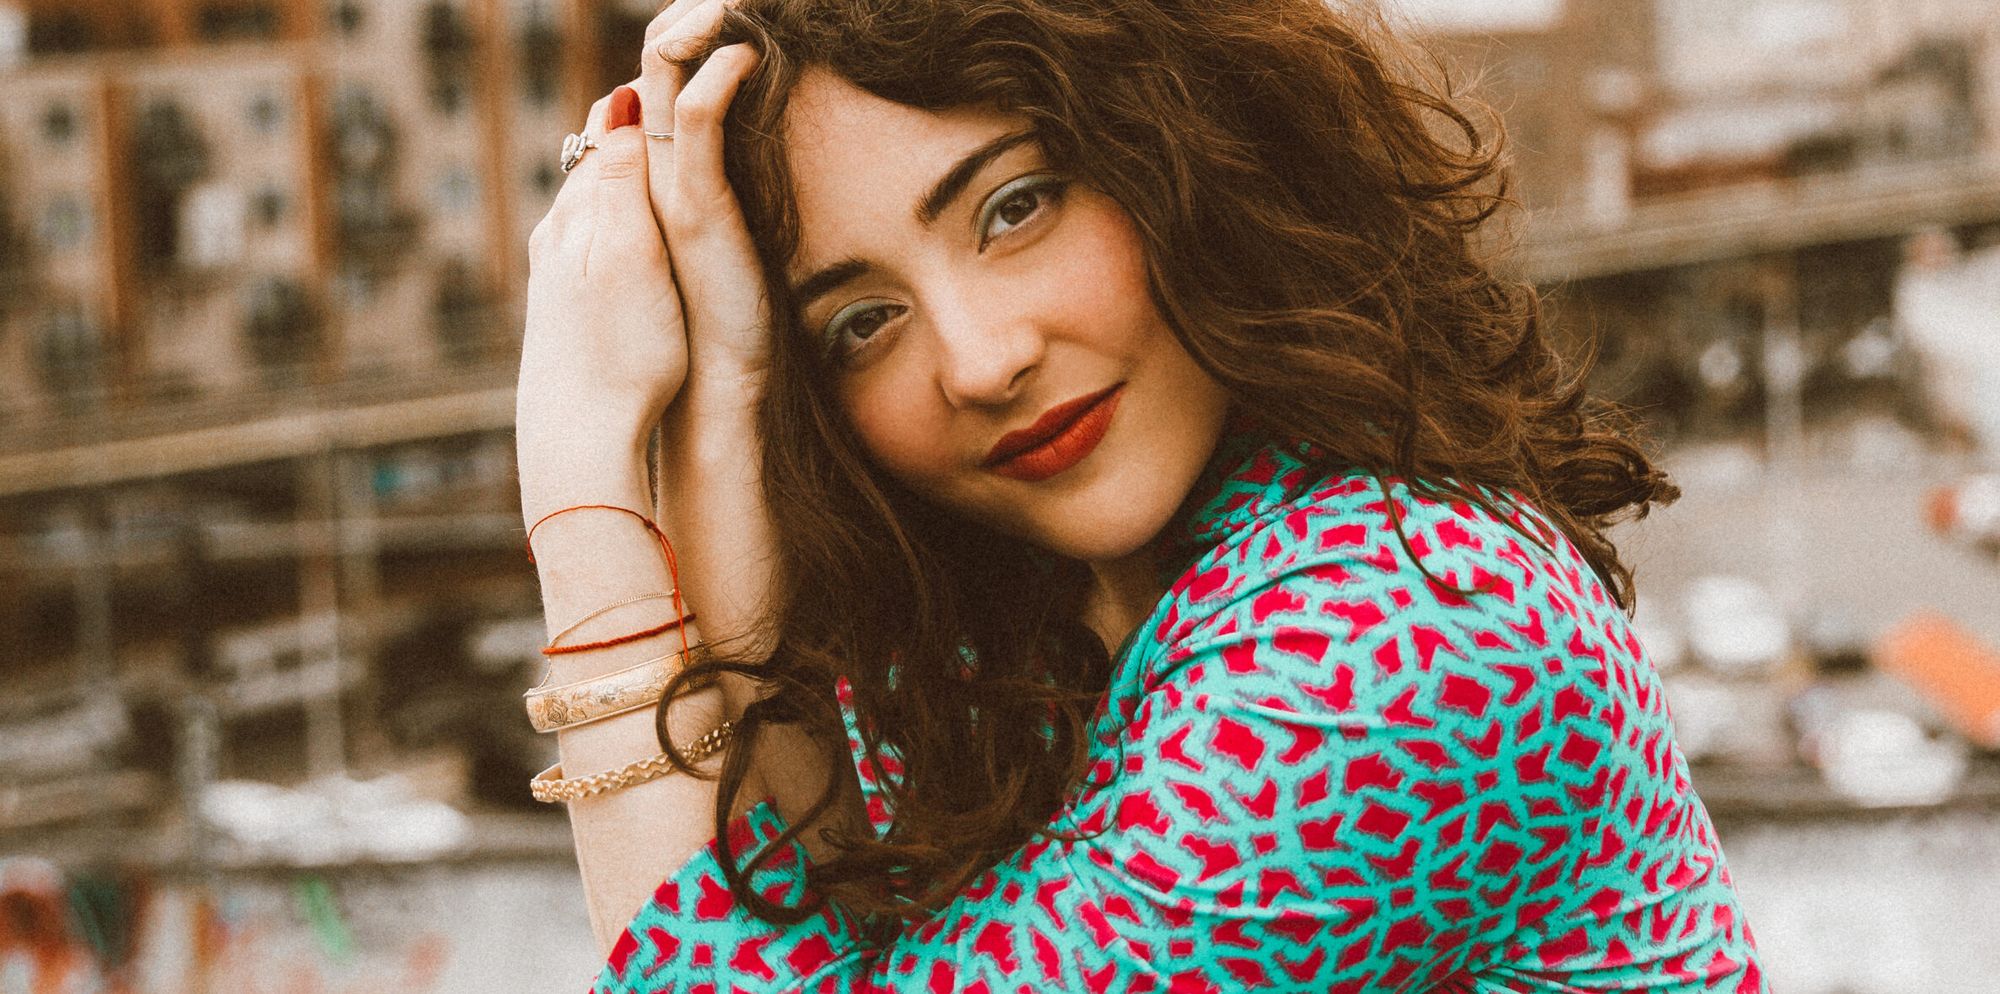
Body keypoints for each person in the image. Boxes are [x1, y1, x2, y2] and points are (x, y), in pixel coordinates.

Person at [514, 0, 1768, 990]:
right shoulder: (1050, 622)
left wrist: (576, 475)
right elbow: (816, 908)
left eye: (1013, 208)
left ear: (1185, 151)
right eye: (860, 323)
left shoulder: (1404, 623)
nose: (978, 359)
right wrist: (728, 389)